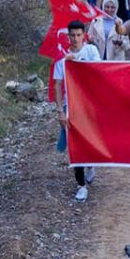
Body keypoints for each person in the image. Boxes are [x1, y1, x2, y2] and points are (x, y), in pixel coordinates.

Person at [53, 21, 99, 200]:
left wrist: (78, 65)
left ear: (84, 35)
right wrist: (59, 110)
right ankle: (81, 185)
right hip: (70, 104)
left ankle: (91, 164)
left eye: (78, 35)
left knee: (91, 139)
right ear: (68, 36)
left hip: (89, 103)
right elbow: (58, 85)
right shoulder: (61, 57)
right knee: (75, 145)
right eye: (72, 35)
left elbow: (99, 72)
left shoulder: (91, 51)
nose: (75, 39)